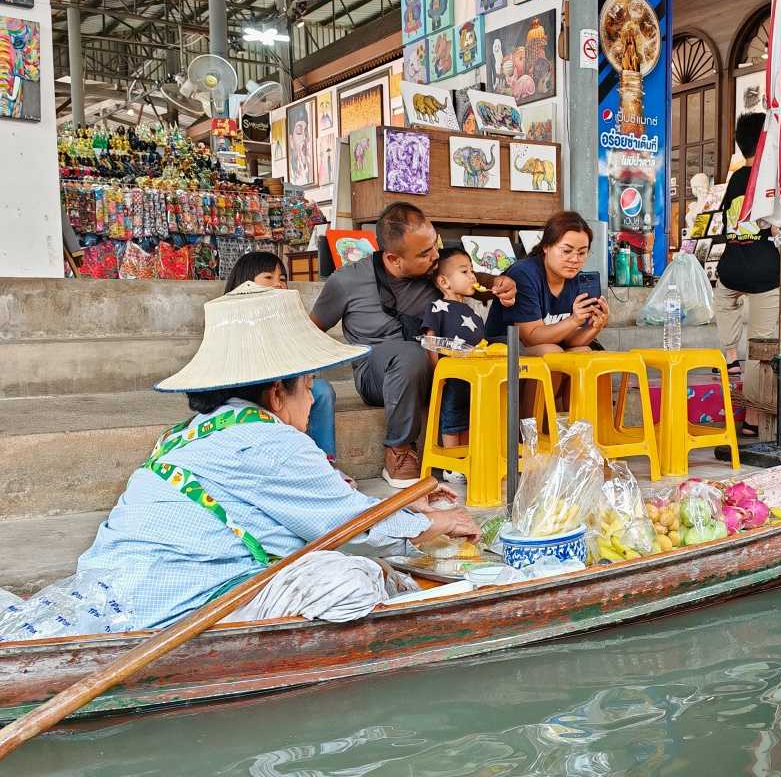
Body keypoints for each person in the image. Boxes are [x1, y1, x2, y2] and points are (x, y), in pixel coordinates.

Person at [3, 283, 480, 638]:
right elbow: (356, 525)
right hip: (176, 604)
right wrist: (435, 523)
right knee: (350, 577)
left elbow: (325, 508)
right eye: (310, 384)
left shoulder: (191, 433)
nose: (314, 399)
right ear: (278, 391)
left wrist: (415, 506)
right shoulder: (272, 443)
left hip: (107, 584)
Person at [311, 203, 516, 489]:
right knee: (410, 354)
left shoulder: (433, 270)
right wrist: (305, 382)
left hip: (439, 365)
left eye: (435, 246)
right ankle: (399, 448)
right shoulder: (346, 281)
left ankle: (510, 440)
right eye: (424, 253)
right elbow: (312, 332)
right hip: (379, 375)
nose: (435, 256)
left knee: (507, 349)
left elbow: (465, 277)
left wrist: (497, 282)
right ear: (394, 259)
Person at [712, 112, 781, 434]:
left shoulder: (735, 180)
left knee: (724, 304)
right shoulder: (769, 183)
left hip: (730, 269)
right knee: (761, 349)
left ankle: (728, 354)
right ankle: (752, 418)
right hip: (765, 272)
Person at [224, 251, 349, 483]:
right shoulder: (229, 318)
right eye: (268, 277)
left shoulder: (289, 318)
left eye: (282, 278)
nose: (278, 284)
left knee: (321, 391)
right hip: (248, 388)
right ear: (245, 282)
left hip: (286, 384)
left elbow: (305, 360)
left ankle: (322, 464)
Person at [485, 210, 609, 352]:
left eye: (582, 253)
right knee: (551, 351)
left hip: (550, 345)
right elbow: (530, 338)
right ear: (546, 247)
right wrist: (574, 320)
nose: (575, 260)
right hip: (505, 348)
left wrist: (595, 327)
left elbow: (571, 340)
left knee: (583, 351)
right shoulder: (524, 274)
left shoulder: (576, 279)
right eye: (566, 251)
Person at [422, 248, 486, 484]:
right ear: (444, 281)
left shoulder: (473, 311)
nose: (472, 276)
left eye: (472, 271)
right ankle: (451, 464)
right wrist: (437, 371)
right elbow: (430, 340)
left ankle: (468, 456)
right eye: (465, 271)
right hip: (452, 375)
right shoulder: (438, 307)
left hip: (476, 376)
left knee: (472, 416)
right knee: (451, 417)